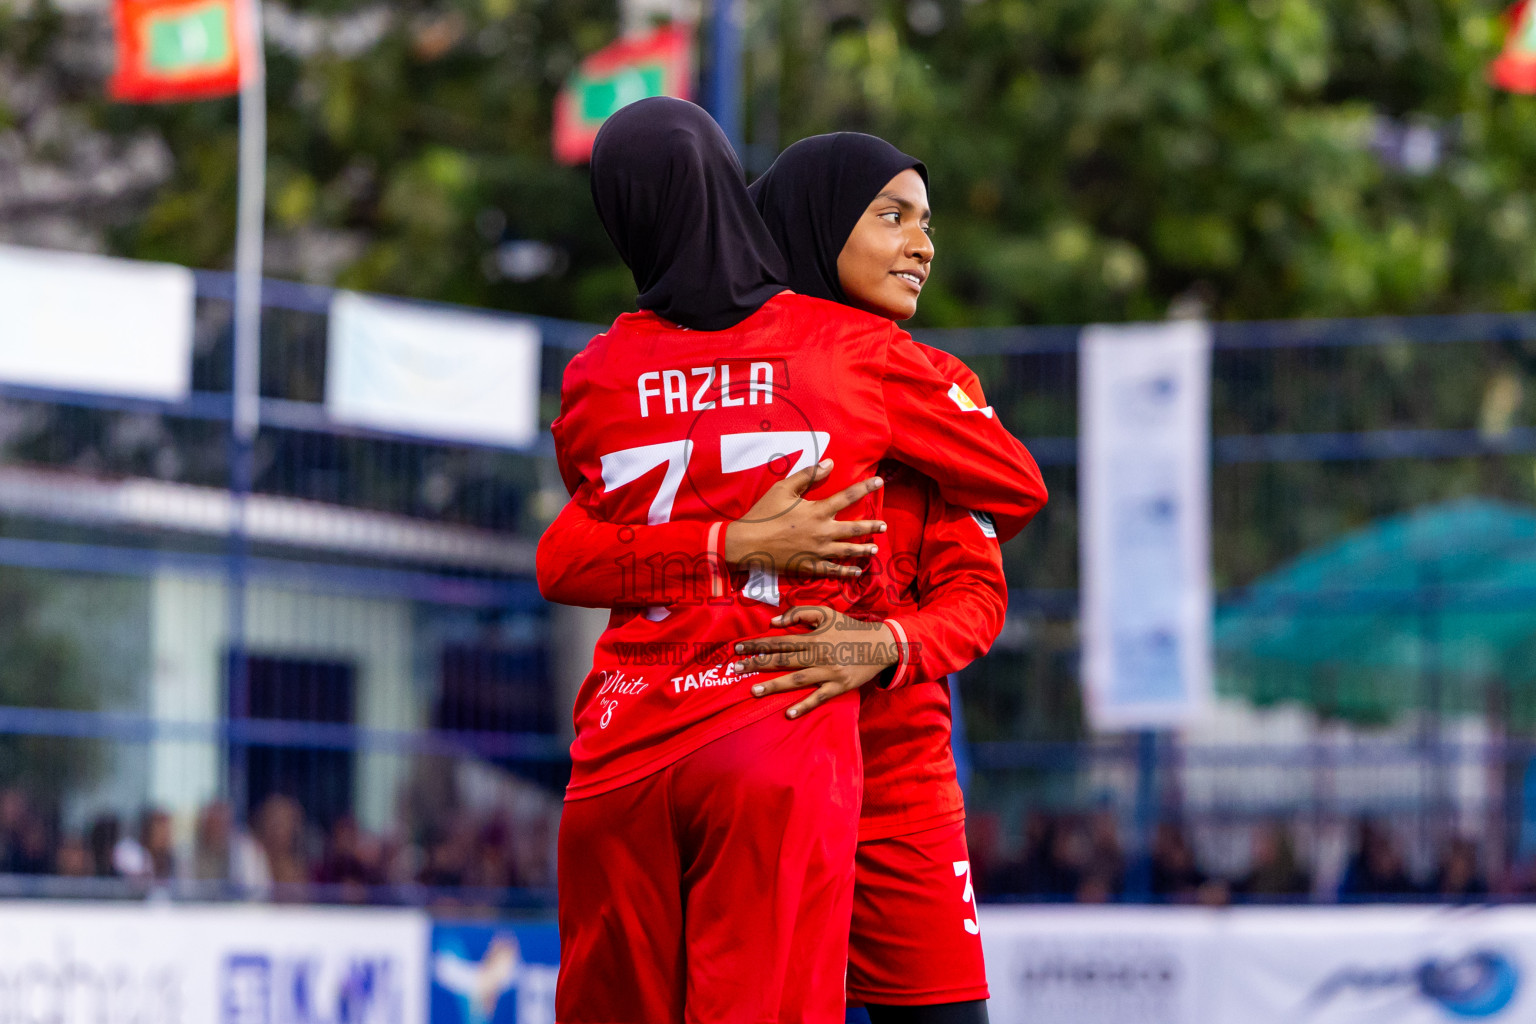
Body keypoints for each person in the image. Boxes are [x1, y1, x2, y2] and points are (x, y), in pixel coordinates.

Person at [544, 98, 1046, 1024]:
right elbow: (570, 553)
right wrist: (735, 541)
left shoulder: (920, 387)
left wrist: (883, 642)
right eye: (891, 216)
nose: (922, 245)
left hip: (888, 780)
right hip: (768, 747)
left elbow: (978, 591)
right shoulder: (839, 365)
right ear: (814, 217)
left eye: (926, 223)